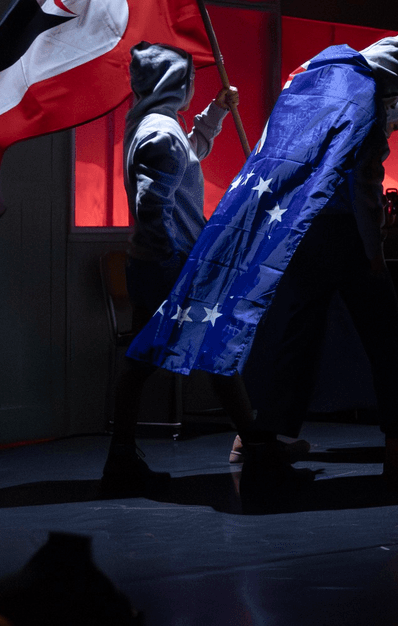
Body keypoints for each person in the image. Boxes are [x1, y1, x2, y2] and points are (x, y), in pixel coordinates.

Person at [126, 33, 398, 483]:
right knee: (383, 334)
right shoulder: (364, 95)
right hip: (340, 231)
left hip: (299, 228)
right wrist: (375, 253)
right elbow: (365, 183)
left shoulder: (315, 79)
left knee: (300, 334)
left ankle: (264, 435)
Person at [102, 41, 278, 496]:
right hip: (169, 265)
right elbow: (151, 205)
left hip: (160, 263)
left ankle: (123, 458)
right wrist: (172, 264)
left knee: (176, 356)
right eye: (188, 79)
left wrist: (214, 114)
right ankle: (256, 445)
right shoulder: (160, 133)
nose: (193, 85)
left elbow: (188, 152)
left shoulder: (150, 123)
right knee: (192, 355)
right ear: (173, 83)